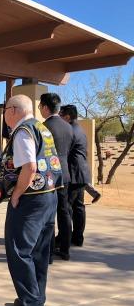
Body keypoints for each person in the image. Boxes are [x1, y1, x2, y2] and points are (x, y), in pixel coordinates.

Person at [0, 94, 61, 306]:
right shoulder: (41, 127)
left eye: (5, 109)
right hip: (49, 196)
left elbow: (30, 167)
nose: (4, 114)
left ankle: (31, 303)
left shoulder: (23, 131)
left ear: (14, 110)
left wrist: (16, 194)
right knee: (39, 252)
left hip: (30, 200)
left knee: (18, 250)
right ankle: (35, 299)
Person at [39, 93, 74, 262]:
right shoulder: (69, 126)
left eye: (40, 107)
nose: (40, 110)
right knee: (64, 211)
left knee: (49, 213)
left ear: (45, 107)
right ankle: (66, 250)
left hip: (49, 174)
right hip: (65, 173)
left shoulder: (43, 127)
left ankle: (49, 251)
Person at [60, 105, 91, 247]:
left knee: (66, 208)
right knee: (78, 207)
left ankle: (63, 238)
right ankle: (77, 238)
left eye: (60, 115)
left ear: (67, 117)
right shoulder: (79, 129)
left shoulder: (70, 130)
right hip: (81, 172)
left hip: (73, 174)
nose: (59, 118)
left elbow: (64, 152)